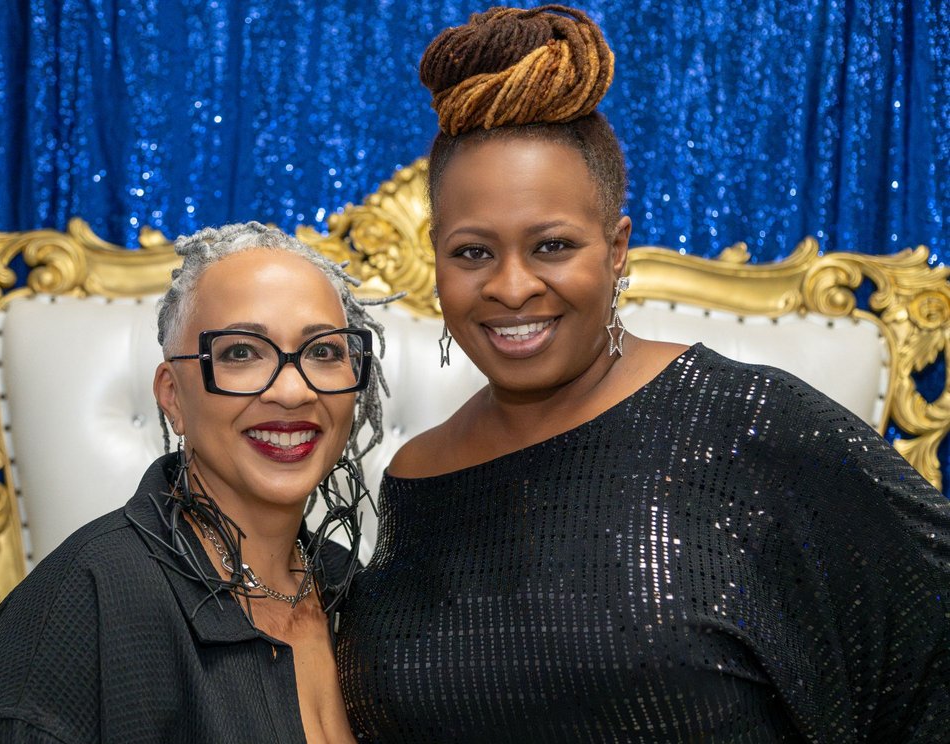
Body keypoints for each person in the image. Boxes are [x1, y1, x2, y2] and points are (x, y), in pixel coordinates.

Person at [336, 6, 950, 742]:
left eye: (553, 246)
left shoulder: (752, 426)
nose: (511, 286)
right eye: (472, 253)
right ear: (437, 258)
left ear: (617, 248)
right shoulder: (417, 478)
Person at [0, 222, 390, 743]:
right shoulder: (81, 610)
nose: (293, 392)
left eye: (323, 352)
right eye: (241, 352)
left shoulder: (356, 592)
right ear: (172, 396)